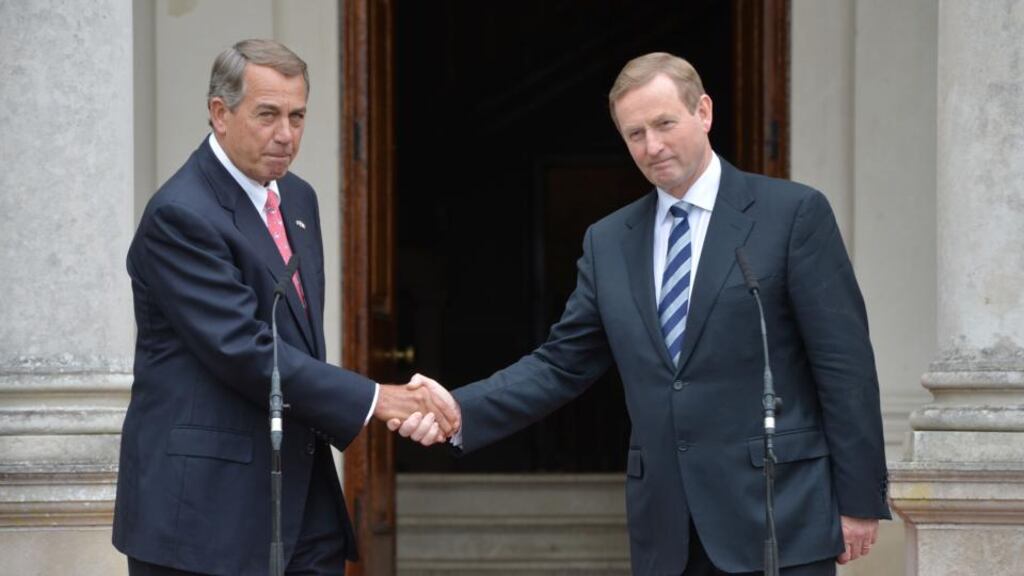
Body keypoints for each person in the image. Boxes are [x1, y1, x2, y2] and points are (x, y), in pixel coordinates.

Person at [392, 52, 890, 575]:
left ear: (704, 112)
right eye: (634, 134)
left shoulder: (790, 215)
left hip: (777, 513)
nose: (652, 146)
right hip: (667, 528)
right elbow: (561, 364)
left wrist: (857, 500)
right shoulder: (609, 241)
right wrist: (460, 408)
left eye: (664, 124)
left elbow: (844, 364)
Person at [113, 39, 457, 576]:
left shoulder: (297, 198)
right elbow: (243, 351)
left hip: (300, 500)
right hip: (204, 516)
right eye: (268, 115)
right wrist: (375, 399)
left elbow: (295, 340)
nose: (286, 135)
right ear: (219, 114)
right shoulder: (179, 215)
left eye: (298, 116)